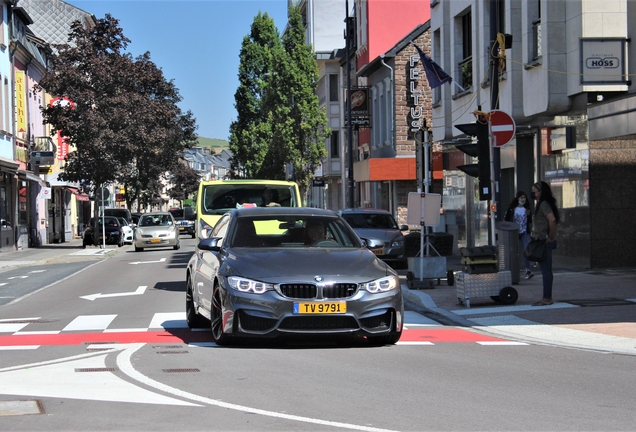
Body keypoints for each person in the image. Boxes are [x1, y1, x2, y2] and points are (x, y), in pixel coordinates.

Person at [530, 181, 560, 306]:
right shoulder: (542, 204)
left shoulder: (543, 204)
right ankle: (547, 297)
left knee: (546, 270)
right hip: (541, 239)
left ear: (541, 192)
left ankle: (547, 297)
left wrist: (550, 237)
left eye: (534, 191)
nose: (533, 194)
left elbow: (552, 220)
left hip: (543, 240)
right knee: (545, 269)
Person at [505, 191, 534, 280]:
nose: (523, 199)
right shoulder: (512, 209)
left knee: (526, 250)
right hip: (515, 232)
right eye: (521, 198)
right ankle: (513, 270)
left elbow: (530, 221)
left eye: (524, 198)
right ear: (517, 198)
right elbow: (507, 219)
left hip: (524, 232)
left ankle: (527, 270)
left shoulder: (527, 209)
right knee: (514, 252)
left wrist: (529, 215)